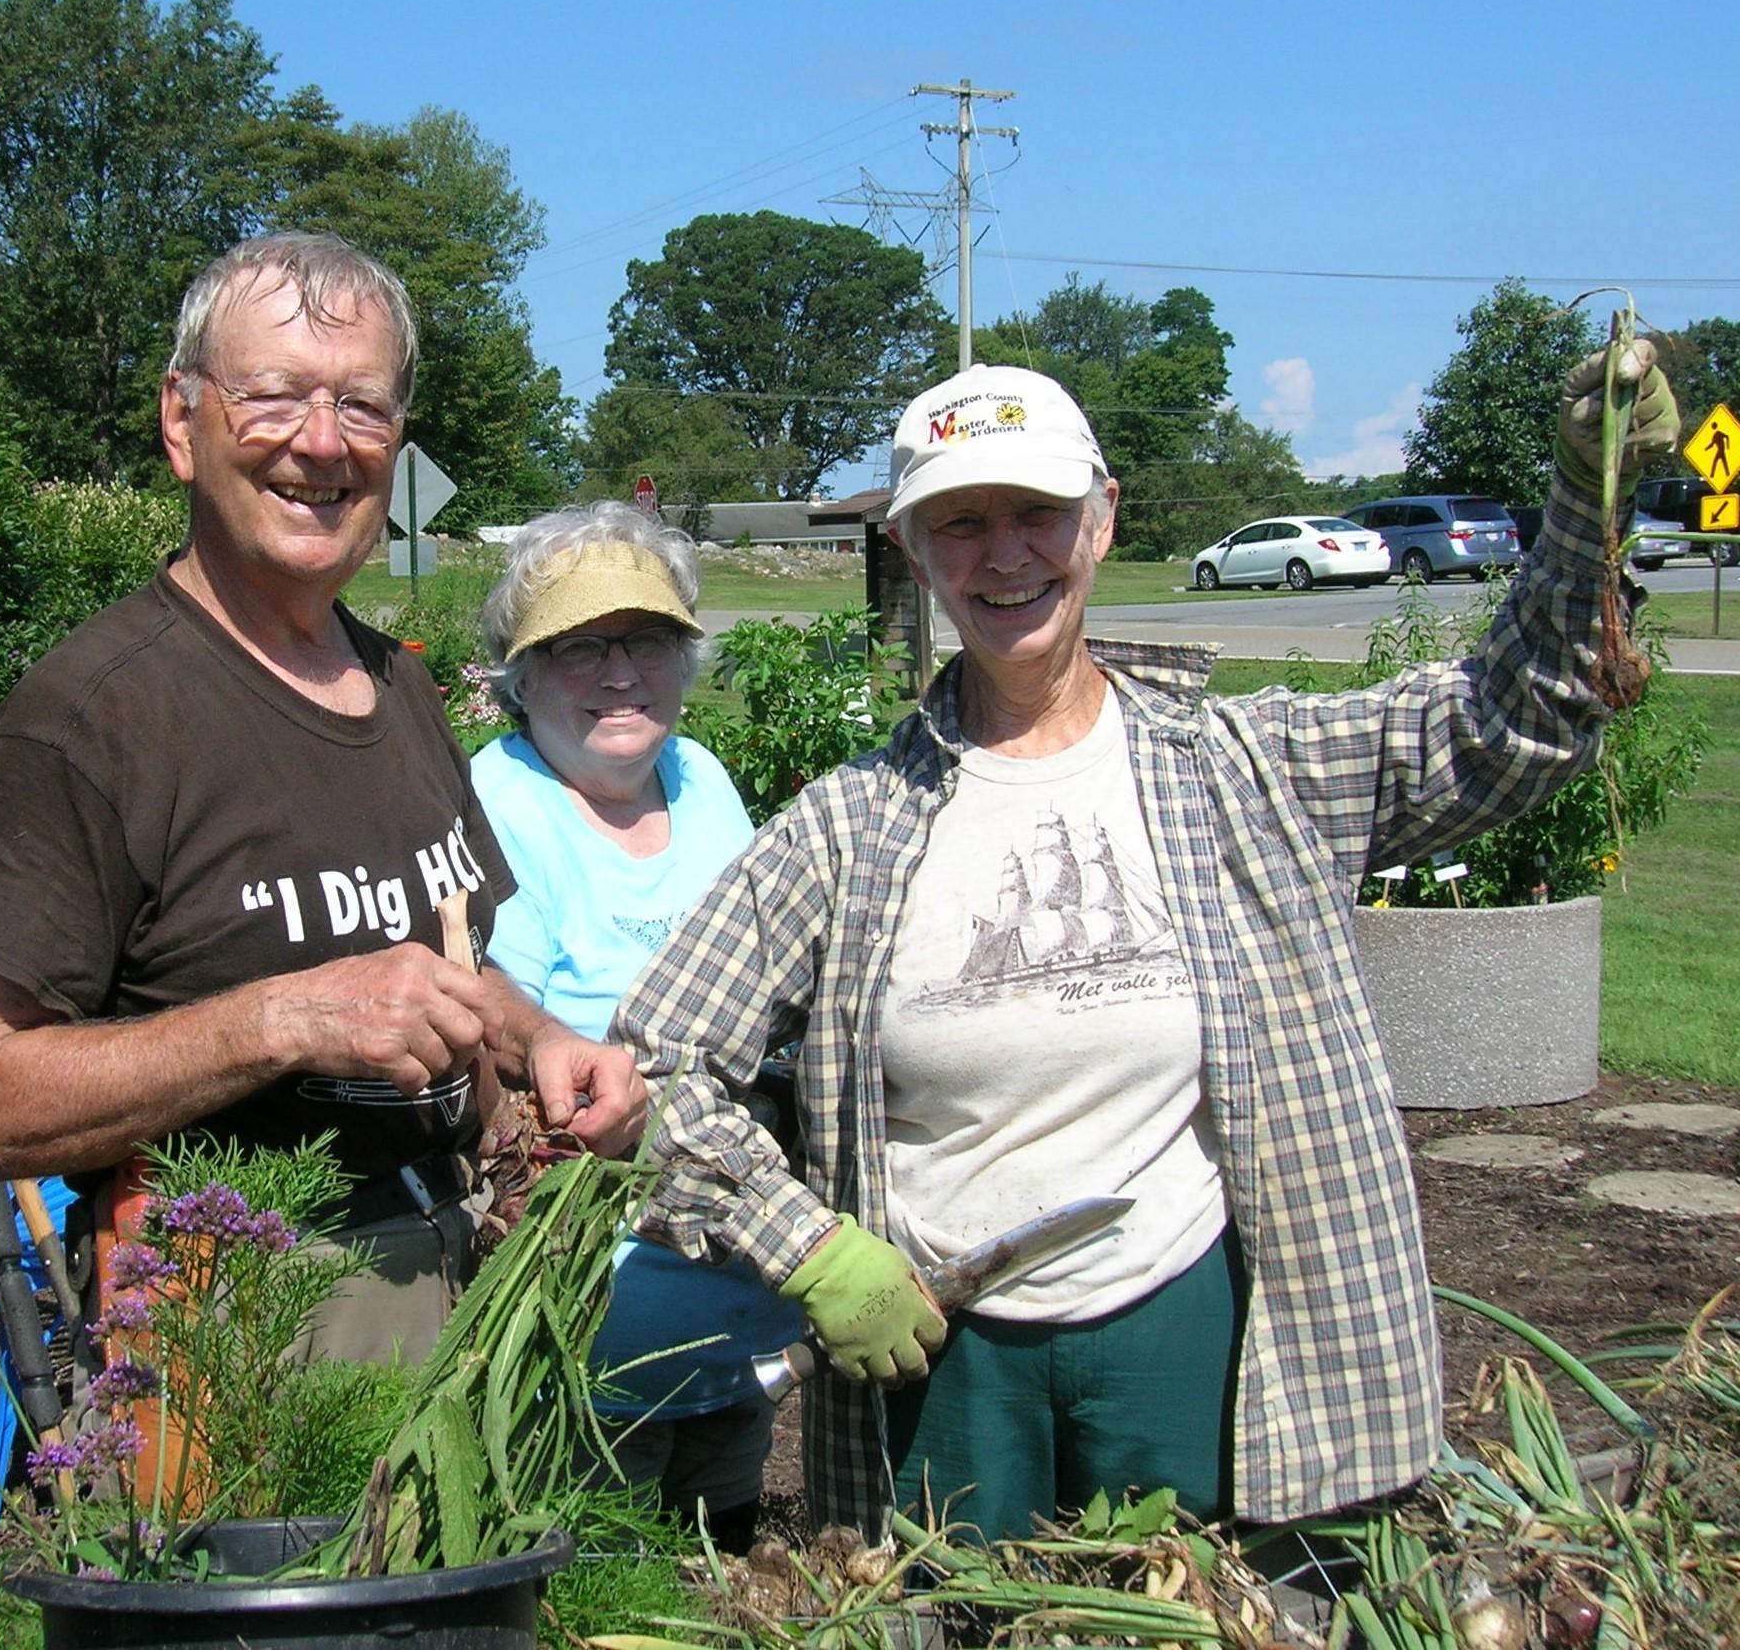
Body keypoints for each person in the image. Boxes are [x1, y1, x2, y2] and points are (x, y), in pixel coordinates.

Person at [610, 349, 1680, 1544]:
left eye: (1038, 514)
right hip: (941, 1358)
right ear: (914, 551)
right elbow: (656, 1067)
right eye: (960, 524)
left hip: (1182, 1327)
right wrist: (801, 1246)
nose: (1004, 554)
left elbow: (1507, 719)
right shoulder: (843, 829)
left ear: (1102, 519)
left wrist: (1589, 507)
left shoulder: (1246, 771)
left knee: (1196, 1608)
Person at [0, 232, 647, 1367]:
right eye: (272, 396)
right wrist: (288, 1020)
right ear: (180, 420)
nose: (321, 442)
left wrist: (543, 1040)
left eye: (361, 406)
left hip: (467, 1284)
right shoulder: (93, 719)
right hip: (249, 1323)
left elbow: (452, 965)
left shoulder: (397, 680)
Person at [470, 501, 803, 1553]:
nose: (620, 674)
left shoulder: (700, 779)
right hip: (591, 1334)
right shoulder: (501, 796)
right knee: (607, 1578)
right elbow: (483, 1007)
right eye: (578, 647)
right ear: (521, 674)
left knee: (729, 1554)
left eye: (647, 640)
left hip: (737, 1297)